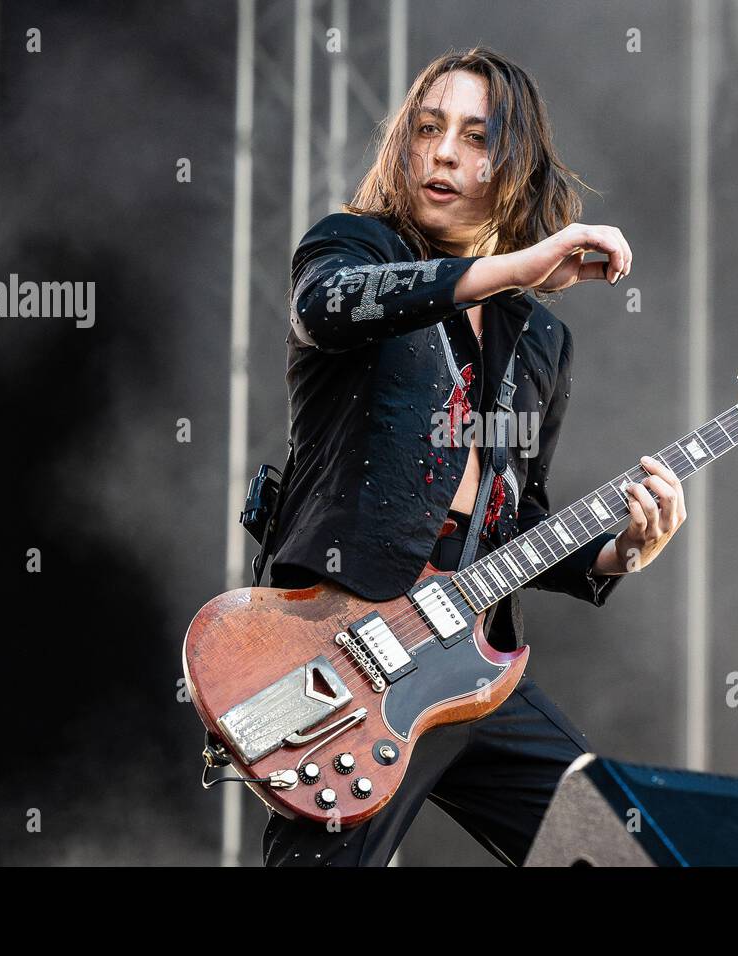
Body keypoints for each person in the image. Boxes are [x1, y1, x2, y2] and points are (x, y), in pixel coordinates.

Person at [261, 46, 686, 866]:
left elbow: (512, 515)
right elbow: (327, 308)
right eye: (428, 129)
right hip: (346, 644)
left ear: (515, 164)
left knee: (625, 849)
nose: (445, 152)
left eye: (476, 136)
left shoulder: (542, 339)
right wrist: (512, 267)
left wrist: (615, 552)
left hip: (472, 664)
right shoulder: (356, 247)